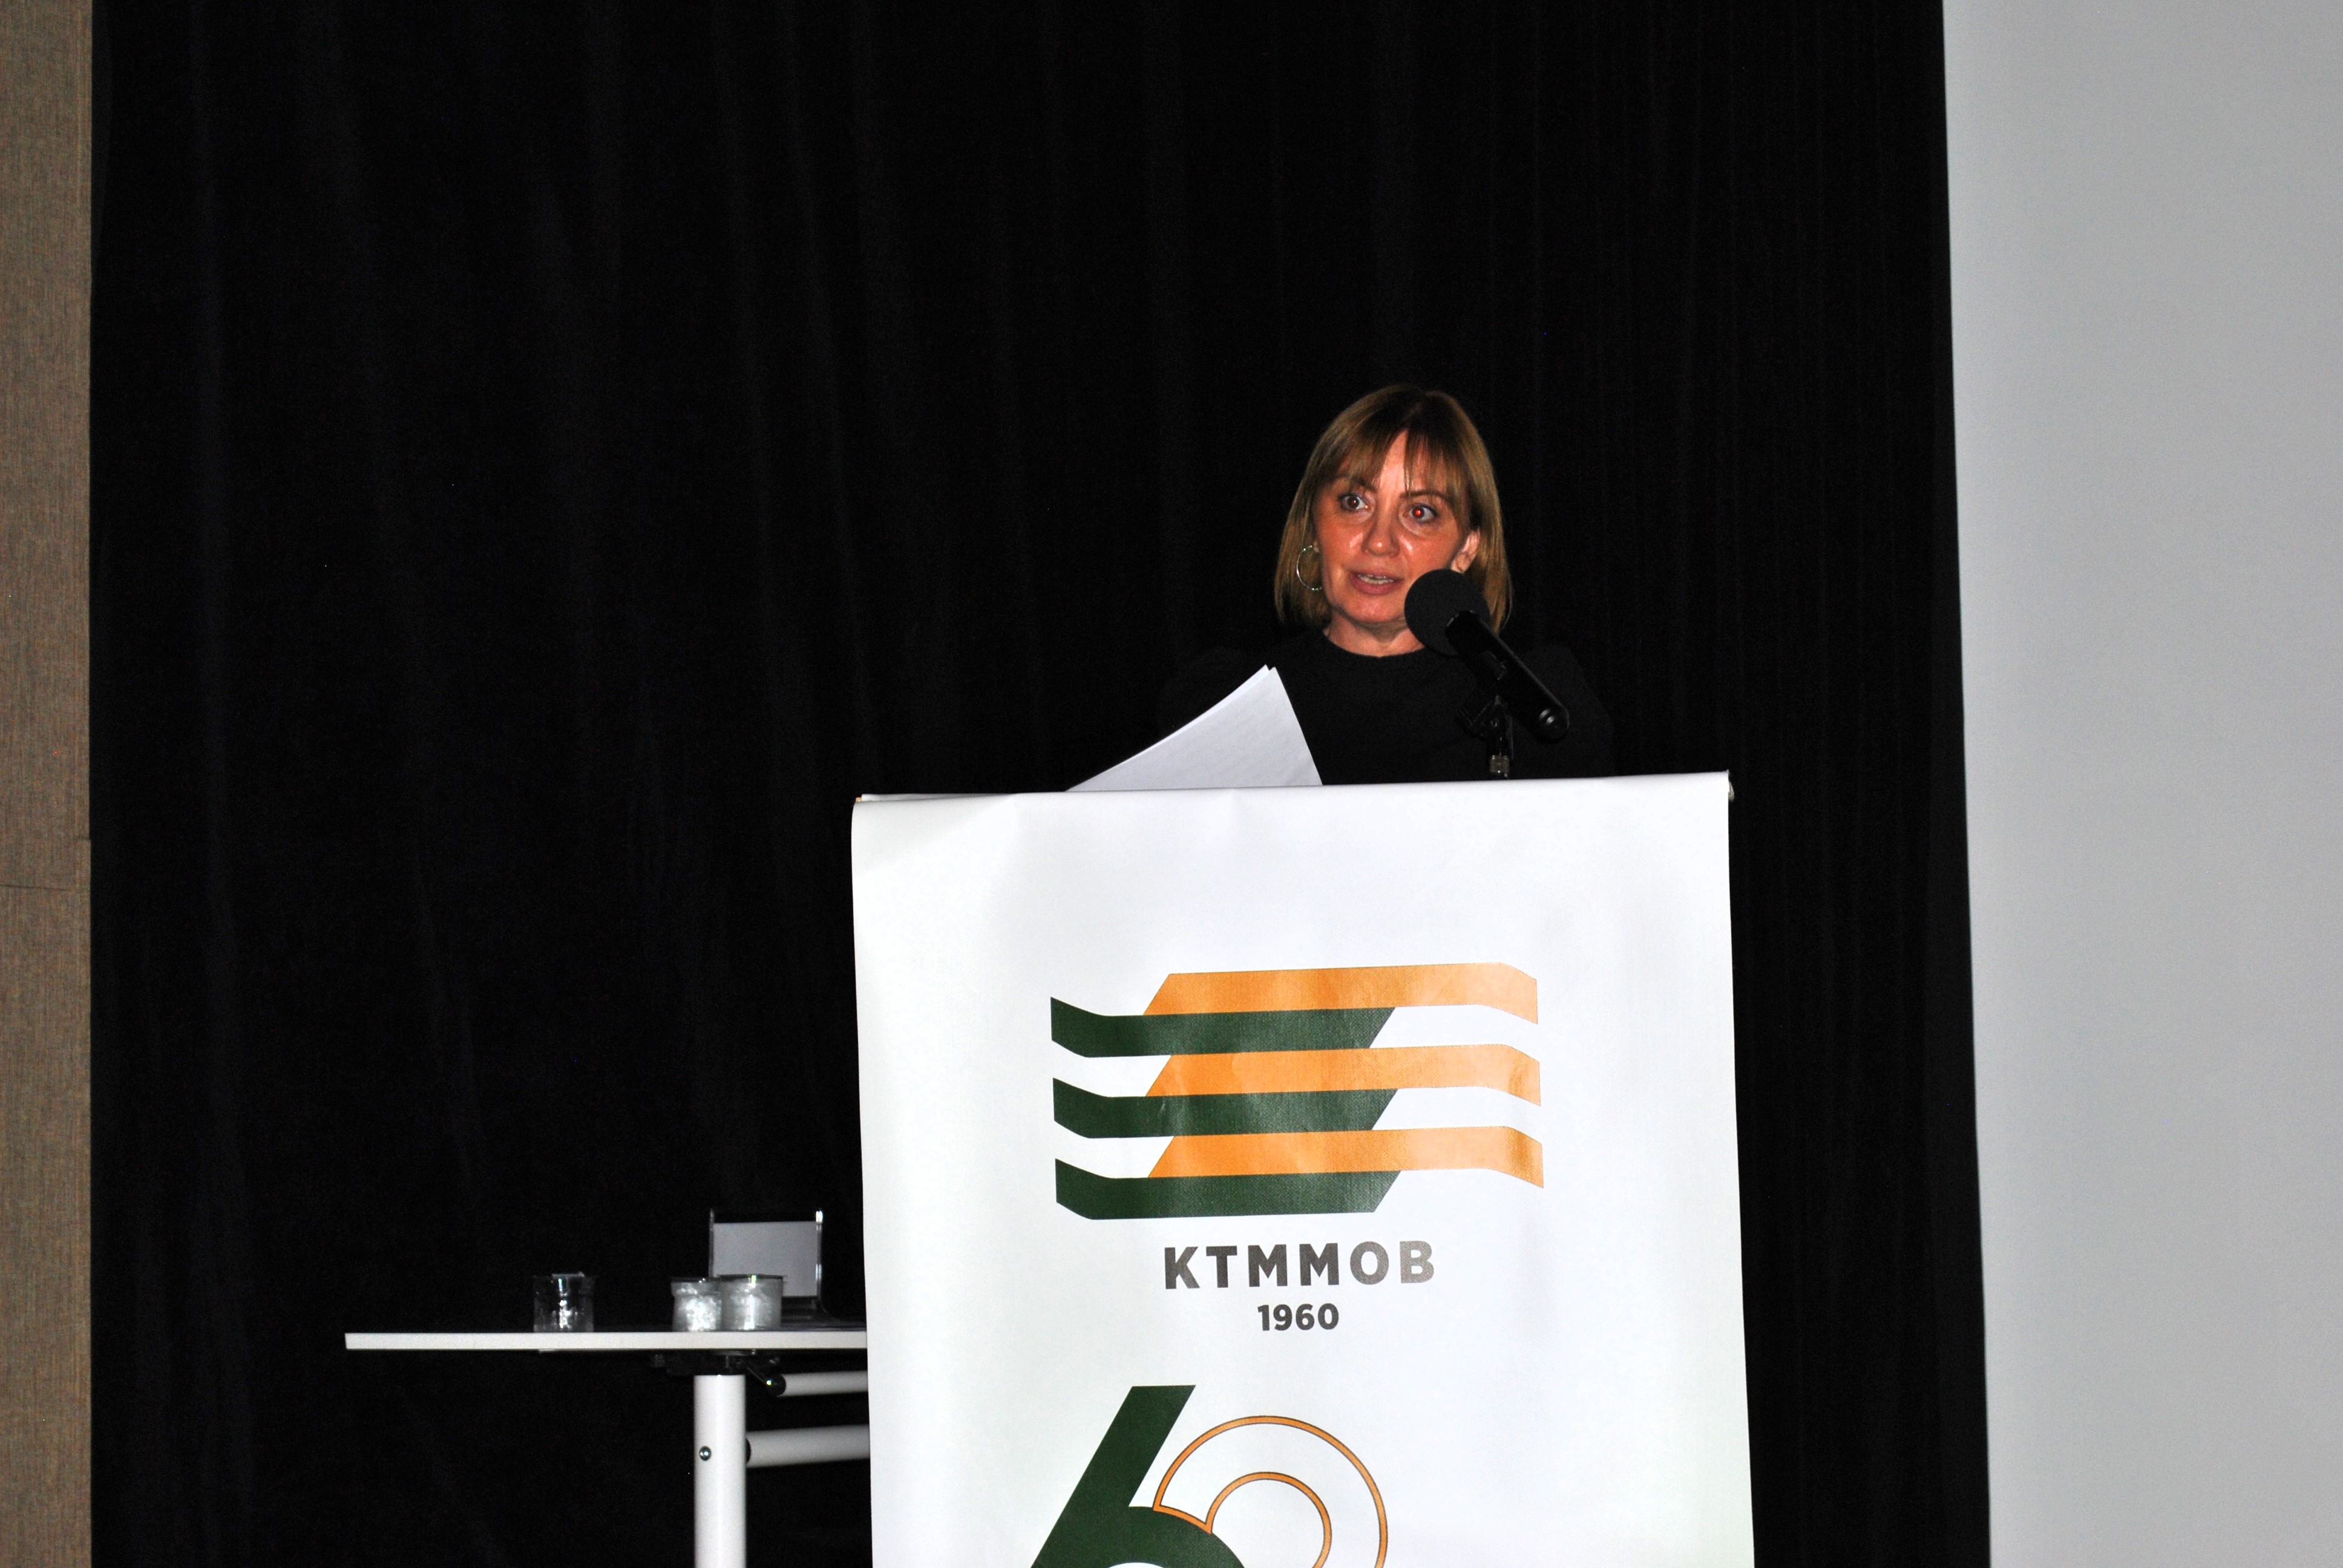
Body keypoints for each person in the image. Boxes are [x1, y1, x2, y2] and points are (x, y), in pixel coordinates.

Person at [1159, 385, 1613, 783]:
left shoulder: (1530, 710)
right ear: (1313, 525)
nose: (1379, 541)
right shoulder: (1224, 709)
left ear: (1466, 548)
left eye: (1419, 512)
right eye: (1354, 502)